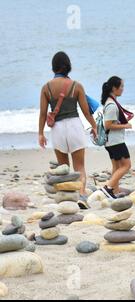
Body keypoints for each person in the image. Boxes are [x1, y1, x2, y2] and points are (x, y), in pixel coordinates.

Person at [38, 51, 97, 209]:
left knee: (64, 169)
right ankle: (82, 194)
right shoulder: (76, 86)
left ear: (53, 67)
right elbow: (86, 111)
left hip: (57, 129)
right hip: (74, 127)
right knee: (80, 167)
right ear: (68, 66)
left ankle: (68, 200)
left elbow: (43, 113)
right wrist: (95, 126)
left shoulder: (46, 88)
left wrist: (40, 133)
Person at [100, 76, 132, 199]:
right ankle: (108, 187)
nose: (123, 89)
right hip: (115, 141)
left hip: (110, 141)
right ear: (114, 88)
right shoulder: (112, 105)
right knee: (126, 165)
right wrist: (125, 125)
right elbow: (108, 125)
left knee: (117, 167)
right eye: (121, 86)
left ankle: (115, 190)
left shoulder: (109, 102)